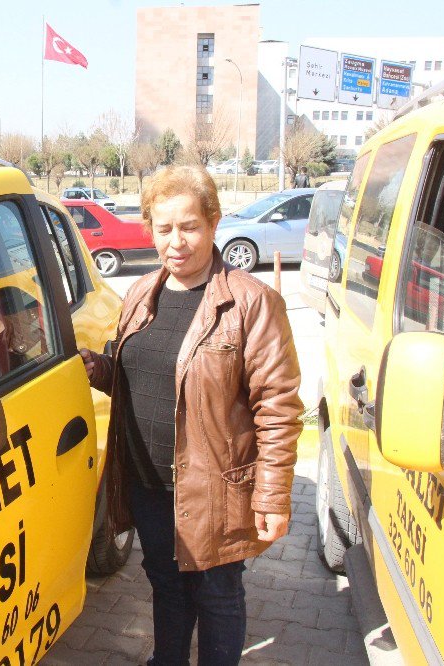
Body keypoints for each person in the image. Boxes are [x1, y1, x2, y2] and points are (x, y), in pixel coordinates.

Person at [79, 165, 303, 665]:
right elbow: (141, 375)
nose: (176, 242)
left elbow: (278, 407)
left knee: (218, 596)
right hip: (149, 485)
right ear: (149, 230)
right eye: (164, 228)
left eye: (189, 226)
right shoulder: (141, 294)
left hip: (215, 490)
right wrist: (100, 369)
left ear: (214, 222)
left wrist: (272, 495)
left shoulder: (251, 302)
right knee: (165, 585)